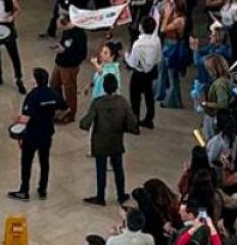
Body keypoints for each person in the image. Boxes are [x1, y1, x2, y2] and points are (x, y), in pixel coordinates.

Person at [80, 74, 140, 206]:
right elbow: (133, 122)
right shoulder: (122, 102)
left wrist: (83, 124)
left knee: (100, 170)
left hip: (100, 142)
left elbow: (86, 123)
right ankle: (121, 195)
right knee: (118, 168)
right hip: (116, 140)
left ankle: (100, 196)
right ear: (116, 87)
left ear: (104, 86)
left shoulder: (97, 102)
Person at [9, 68, 68, 201]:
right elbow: (65, 108)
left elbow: (26, 118)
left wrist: (16, 119)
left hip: (32, 135)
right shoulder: (53, 94)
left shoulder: (32, 96)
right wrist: (52, 118)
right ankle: (42, 190)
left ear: (36, 81)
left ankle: (24, 191)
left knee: (26, 162)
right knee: (44, 161)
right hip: (47, 134)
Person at [125, 17, 161, 129]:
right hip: (150, 72)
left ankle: (134, 122)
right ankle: (149, 119)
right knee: (149, 95)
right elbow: (158, 57)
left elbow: (133, 62)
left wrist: (126, 56)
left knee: (135, 98)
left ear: (141, 28)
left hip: (139, 72)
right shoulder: (156, 41)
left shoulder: (138, 44)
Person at [51, 14, 87, 123]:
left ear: (65, 24)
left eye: (59, 26)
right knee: (54, 84)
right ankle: (60, 106)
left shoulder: (79, 35)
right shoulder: (66, 31)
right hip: (60, 63)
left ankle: (71, 114)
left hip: (70, 66)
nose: (59, 28)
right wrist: (60, 47)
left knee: (69, 89)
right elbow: (64, 44)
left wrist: (65, 51)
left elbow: (81, 54)